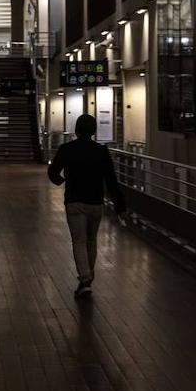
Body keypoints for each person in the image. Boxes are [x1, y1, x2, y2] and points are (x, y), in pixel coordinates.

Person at [47, 113, 126, 298]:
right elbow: (112, 181)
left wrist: (61, 180)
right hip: (95, 203)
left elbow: (52, 172)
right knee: (91, 240)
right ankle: (87, 278)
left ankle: (85, 278)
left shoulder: (67, 148)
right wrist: (120, 207)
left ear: (76, 129)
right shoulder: (101, 151)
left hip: (74, 201)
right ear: (94, 130)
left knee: (79, 241)